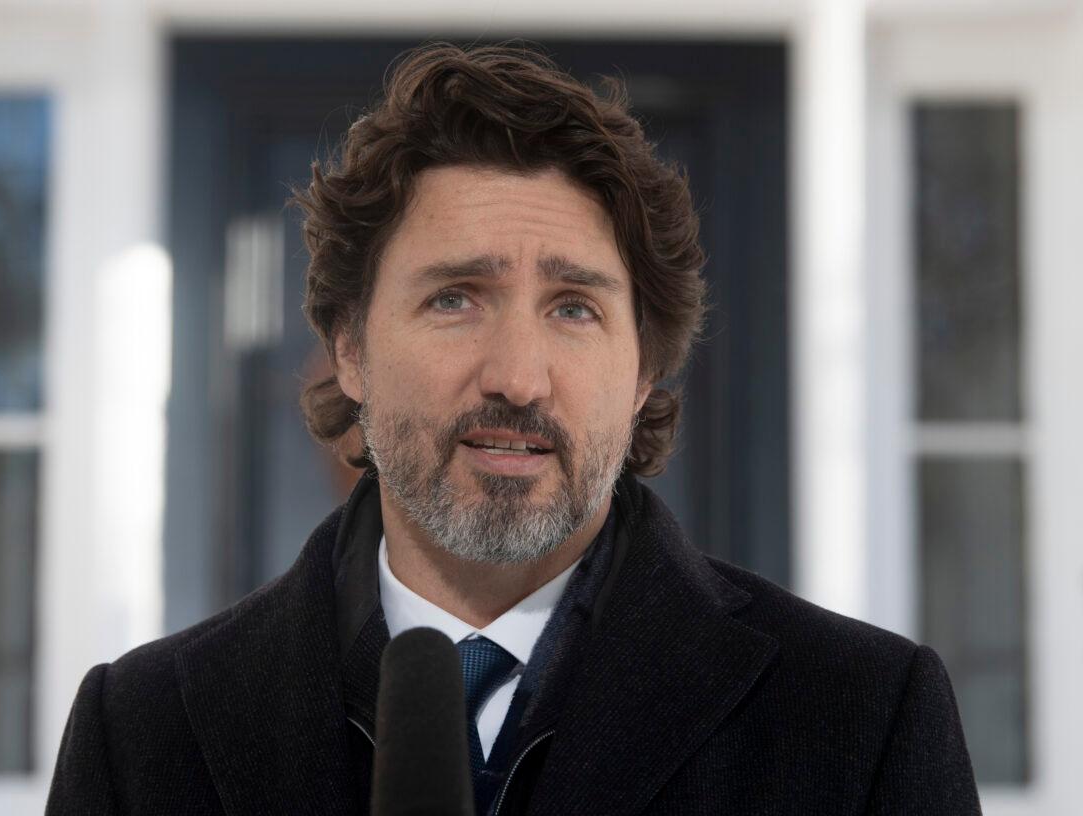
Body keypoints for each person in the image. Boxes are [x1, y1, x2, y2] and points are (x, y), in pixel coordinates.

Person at [47, 44, 982, 815]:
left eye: (575, 309)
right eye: (456, 297)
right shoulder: (138, 734)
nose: (518, 378)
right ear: (350, 348)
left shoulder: (862, 720)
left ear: (644, 368)